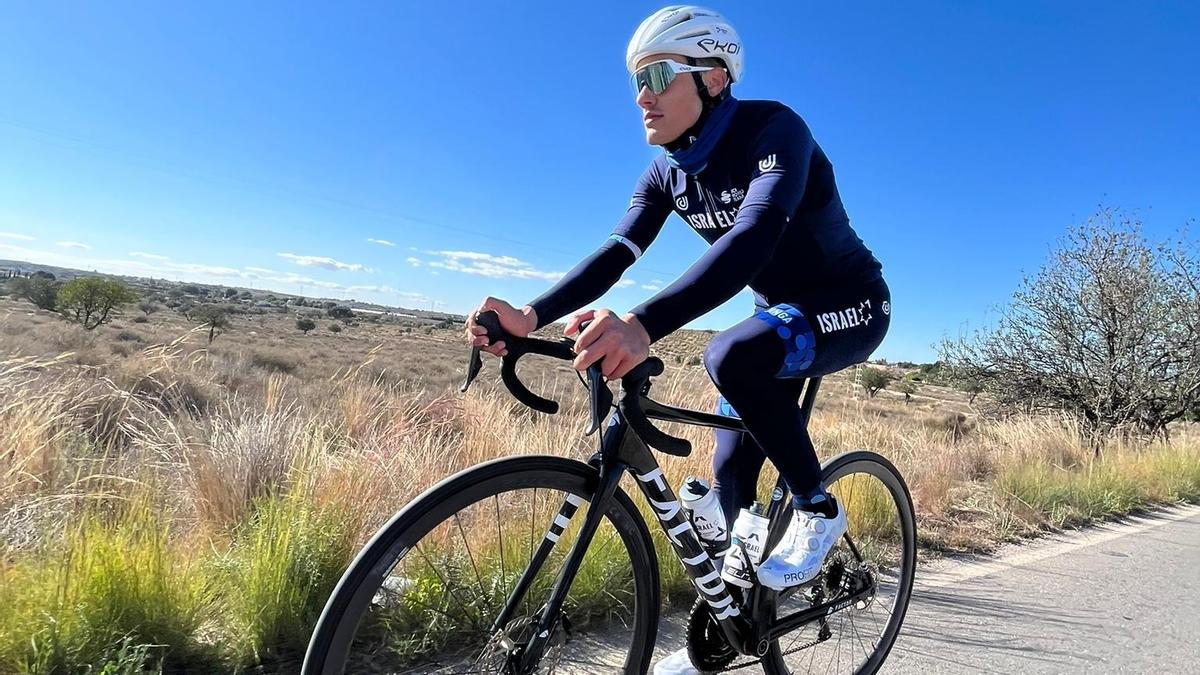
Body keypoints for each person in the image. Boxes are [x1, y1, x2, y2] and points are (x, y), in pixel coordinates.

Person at [465, 6, 889, 672]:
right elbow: (617, 251)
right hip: (778, 315)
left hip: (851, 302)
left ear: (715, 77)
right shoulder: (666, 170)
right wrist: (530, 312)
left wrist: (640, 325)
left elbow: (753, 239)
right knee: (724, 496)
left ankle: (817, 507)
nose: (642, 95)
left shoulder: (775, 130)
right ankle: (728, 632)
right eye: (636, 79)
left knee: (731, 354)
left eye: (658, 75)